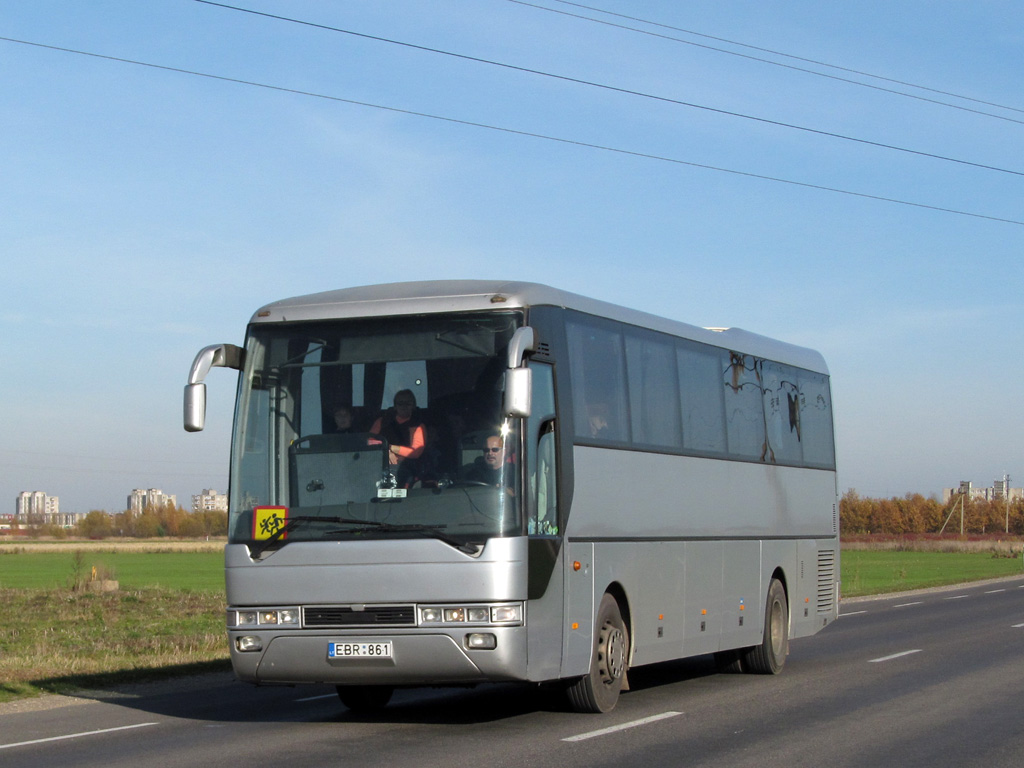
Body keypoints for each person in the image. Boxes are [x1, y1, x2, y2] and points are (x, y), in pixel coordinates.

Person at [370, 390, 427, 485]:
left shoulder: (417, 425)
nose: (404, 406)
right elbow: (368, 442)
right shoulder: (382, 421)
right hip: (380, 468)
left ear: (413, 406)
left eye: (408, 403)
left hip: (407, 470)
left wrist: (391, 448)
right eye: (400, 403)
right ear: (395, 406)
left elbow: (416, 452)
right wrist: (386, 452)